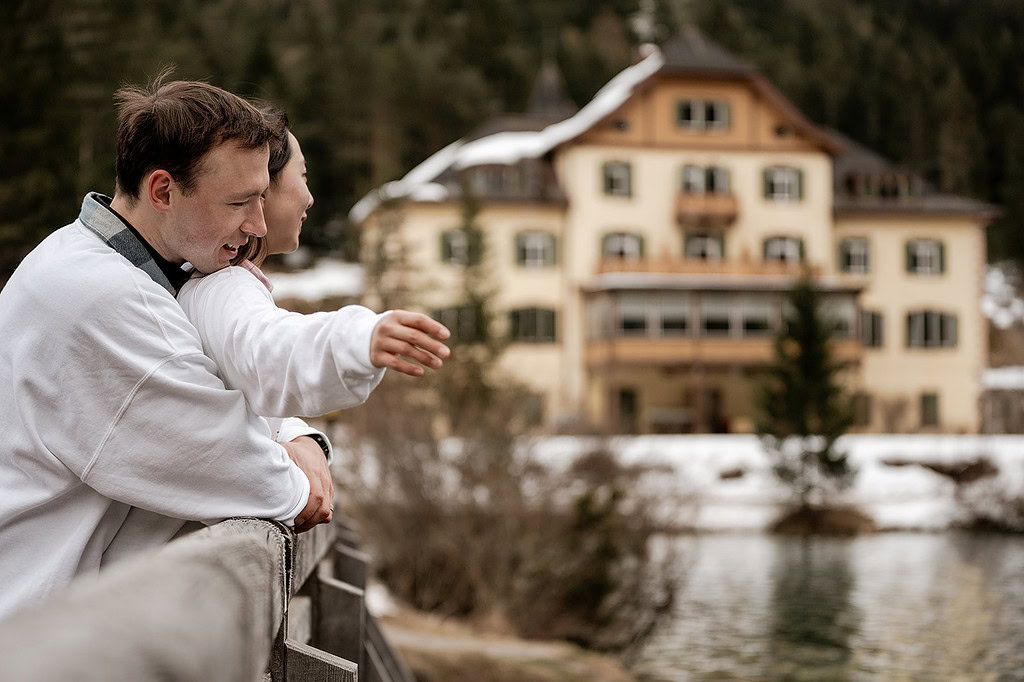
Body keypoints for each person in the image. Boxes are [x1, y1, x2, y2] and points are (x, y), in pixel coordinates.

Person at [0, 75, 332, 619]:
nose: (255, 225)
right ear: (162, 191)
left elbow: (208, 378)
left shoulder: (86, 258)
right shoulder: (109, 302)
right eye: (239, 202)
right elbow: (253, 479)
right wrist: (302, 474)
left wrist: (292, 431)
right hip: (29, 639)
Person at [177, 104, 450, 429]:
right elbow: (267, 350)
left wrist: (295, 434)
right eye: (302, 174)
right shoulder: (225, 285)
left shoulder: (212, 281)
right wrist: (355, 339)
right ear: (260, 187)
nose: (310, 198)